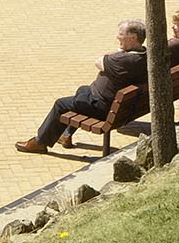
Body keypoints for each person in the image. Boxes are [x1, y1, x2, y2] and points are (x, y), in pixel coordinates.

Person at [15, 18, 149, 153]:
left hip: (101, 106)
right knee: (82, 91)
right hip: (117, 105)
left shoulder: (125, 60)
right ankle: (65, 135)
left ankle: (40, 142)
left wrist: (119, 50)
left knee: (61, 105)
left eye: (121, 34)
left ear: (133, 38)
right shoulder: (144, 55)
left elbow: (99, 61)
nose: (117, 36)